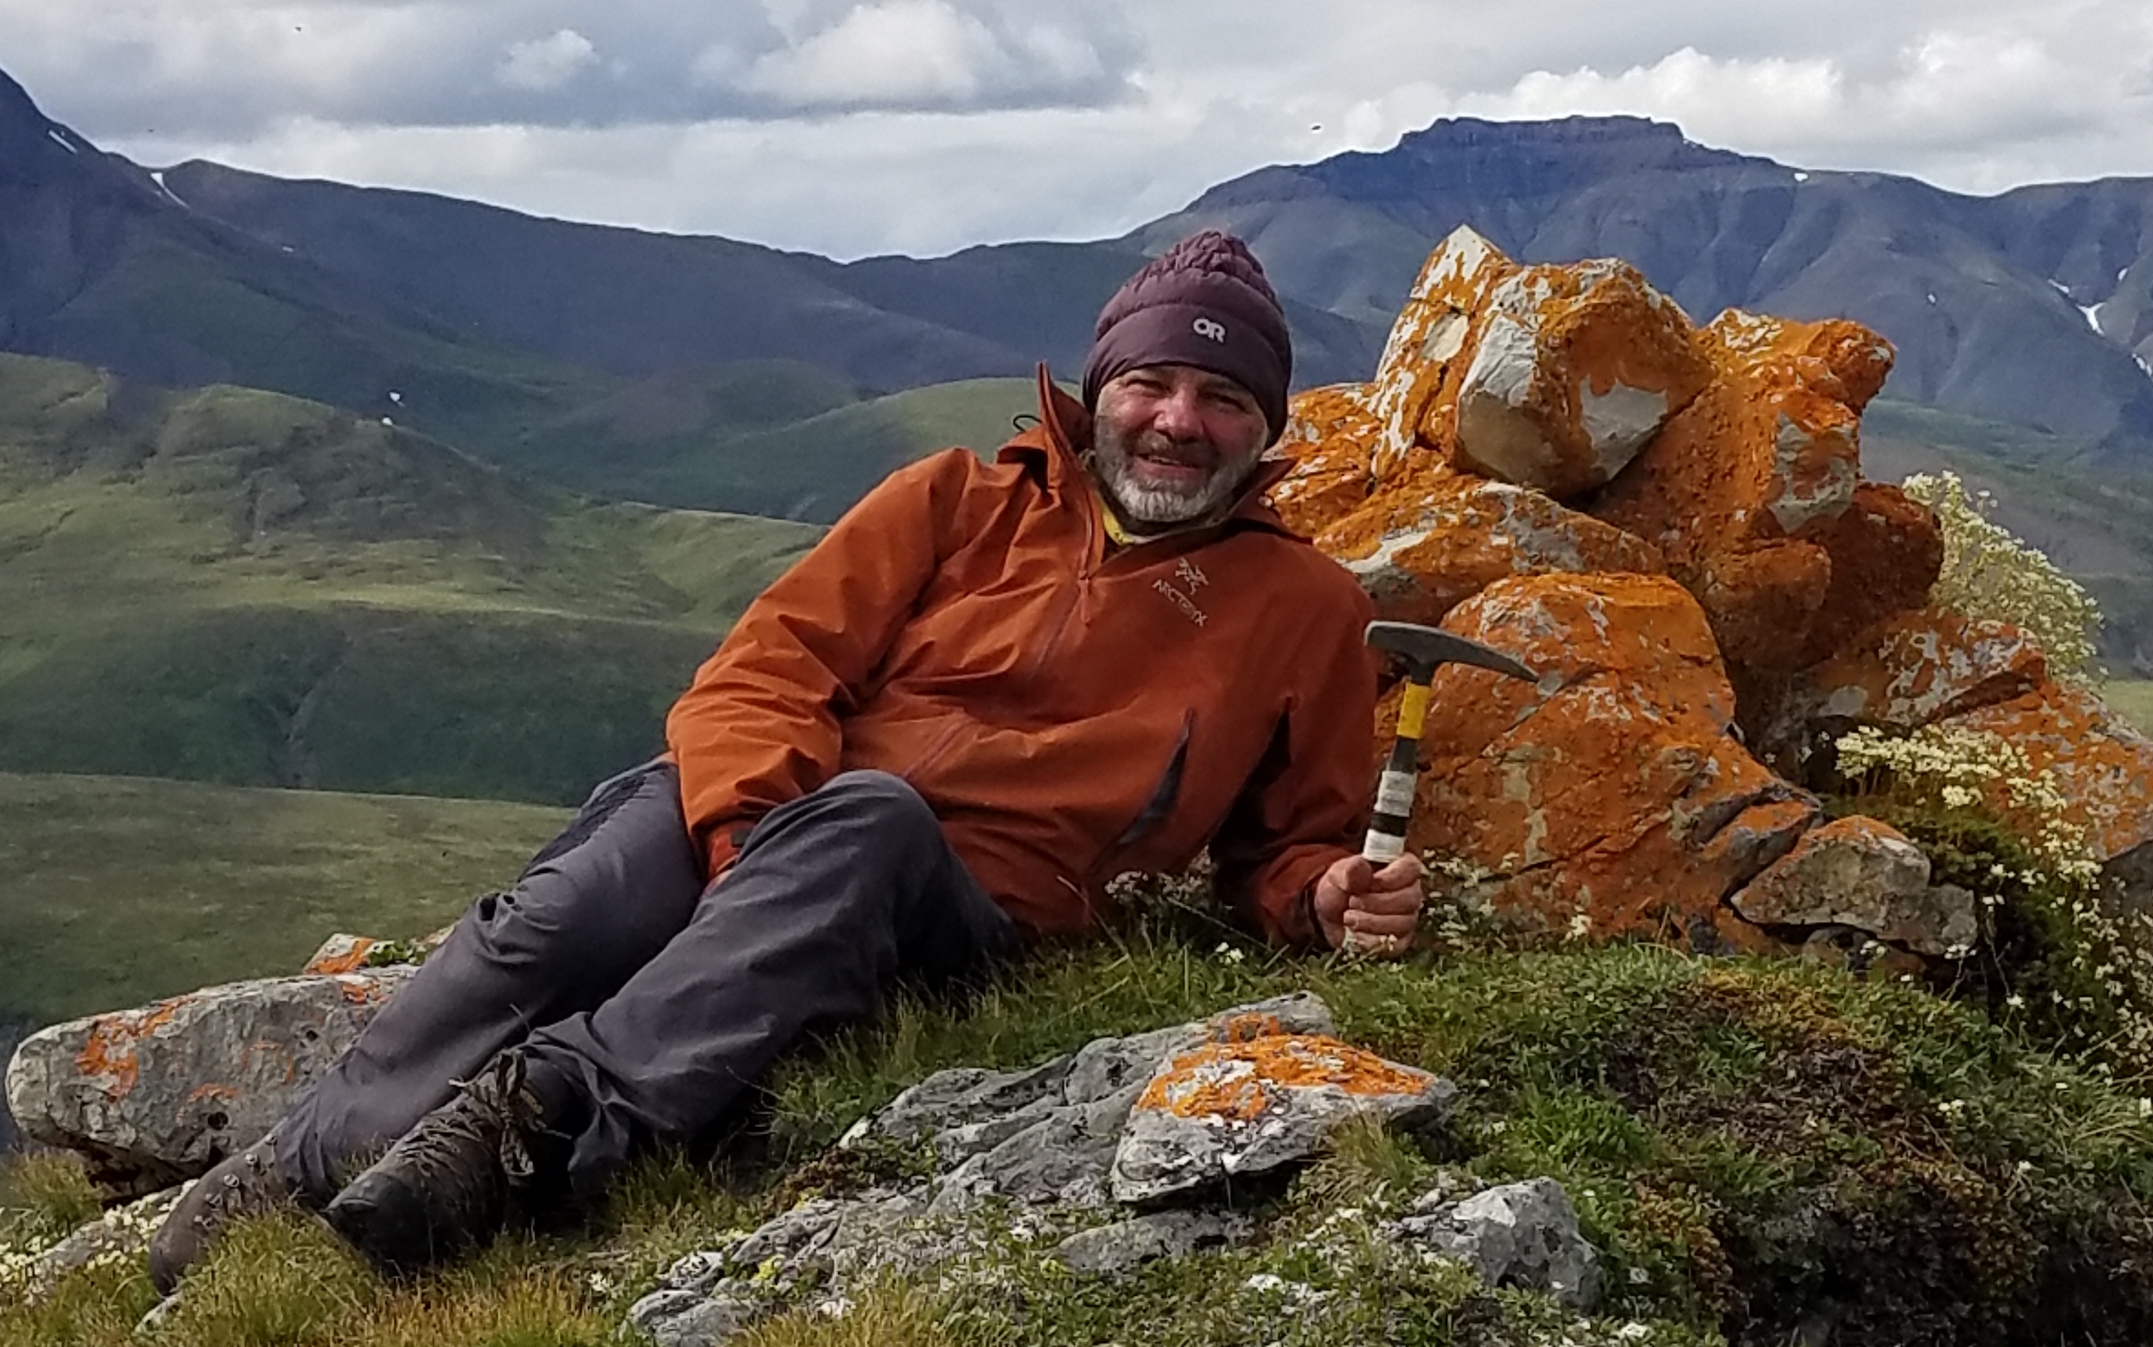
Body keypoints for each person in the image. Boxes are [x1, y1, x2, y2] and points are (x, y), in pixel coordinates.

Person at [146, 230, 1428, 1292]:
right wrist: (745, 831)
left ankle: (529, 1137)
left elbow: (1290, 842)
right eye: (1152, 384)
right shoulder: (951, 498)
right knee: (578, 903)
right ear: (1101, 388)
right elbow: (765, 673)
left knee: (868, 818)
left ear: (1266, 432)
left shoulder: (1301, 605)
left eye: (1224, 401)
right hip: (776, 823)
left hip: (958, 902)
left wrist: (1320, 893)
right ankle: (314, 1155)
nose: (1178, 422)